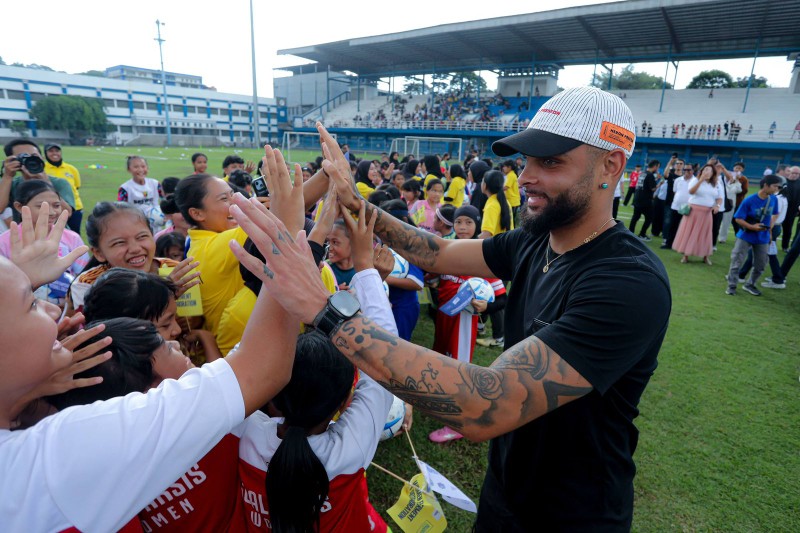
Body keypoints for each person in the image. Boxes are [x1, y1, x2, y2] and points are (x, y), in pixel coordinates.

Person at [234, 90, 671, 530]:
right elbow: (439, 252)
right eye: (527, 160)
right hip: (507, 487)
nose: (528, 176)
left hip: (576, 512)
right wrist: (354, 201)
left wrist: (323, 308)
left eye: (551, 162)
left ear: (610, 166)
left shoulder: (628, 281)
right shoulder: (537, 239)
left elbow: (486, 401)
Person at [0, 199, 296, 532]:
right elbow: (263, 368)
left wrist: (20, 286)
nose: (58, 313)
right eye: (31, 305)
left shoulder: (32, 425)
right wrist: (290, 245)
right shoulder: (58, 452)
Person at [237, 200, 396, 533]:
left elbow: (247, 355)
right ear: (344, 404)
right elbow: (386, 358)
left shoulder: (244, 431)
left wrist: (301, 256)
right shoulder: (349, 449)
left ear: (273, 392)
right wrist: (368, 270)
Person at [429, 204, 507, 444]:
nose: (463, 227)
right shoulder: (446, 250)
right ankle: (441, 402)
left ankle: (458, 423)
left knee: (460, 370)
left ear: (477, 224)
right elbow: (433, 281)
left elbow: (502, 297)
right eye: (459, 222)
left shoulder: (482, 256)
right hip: (444, 320)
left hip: (463, 324)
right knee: (441, 361)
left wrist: (486, 307)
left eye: (468, 222)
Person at [68, 201, 199, 312]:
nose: (135, 249)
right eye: (119, 242)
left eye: (142, 237)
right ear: (99, 253)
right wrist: (163, 296)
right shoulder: (88, 285)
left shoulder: (176, 270)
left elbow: (195, 321)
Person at [0, 180, 88, 306]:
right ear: (19, 207)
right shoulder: (4, 242)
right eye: (41, 206)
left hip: (67, 314)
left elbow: (84, 279)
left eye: (56, 205)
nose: (51, 212)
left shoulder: (72, 238)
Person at [725, 175, 782, 296]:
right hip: (746, 235)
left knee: (761, 264)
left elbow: (775, 214)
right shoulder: (749, 200)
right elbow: (738, 219)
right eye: (775, 186)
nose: (777, 189)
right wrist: (752, 227)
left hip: (763, 237)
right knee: (737, 261)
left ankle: (750, 284)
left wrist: (770, 231)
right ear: (766, 185)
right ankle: (732, 286)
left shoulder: (773, 199)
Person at [0, 139, 76, 223]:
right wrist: (7, 176)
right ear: (12, 161)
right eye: (23, 156)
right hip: (24, 233)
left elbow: (67, 213)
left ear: (42, 157)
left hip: (56, 232)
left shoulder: (59, 183)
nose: (31, 159)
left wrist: (47, 183)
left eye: (34, 155)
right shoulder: (11, 184)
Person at [672, 163, 722, 264]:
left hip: (707, 212)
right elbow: (691, 191)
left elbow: (719, 198)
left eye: (710, 170)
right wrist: (701, 180)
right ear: (702, 171)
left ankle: (705, 256)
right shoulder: (695, 180)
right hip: (693, 211)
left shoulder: (716, 183)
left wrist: (717, 206)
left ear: (713, 173)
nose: (707, 172)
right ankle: (685, 255)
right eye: (705, 170)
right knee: (689, 233)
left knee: (705, 234)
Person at [118, 155, 166, 233]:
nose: (140, 170)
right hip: (136, 228)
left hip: (156, 228)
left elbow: (165, 200)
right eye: (136, 167)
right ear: (129, 169)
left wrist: (165, 214)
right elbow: (121, 210)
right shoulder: (125, 188)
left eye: (143, 166)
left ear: (147, 168)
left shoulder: (155, 183)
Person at [43, 143, 83, 233]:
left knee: (75, 235)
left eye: (57, 151)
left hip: (75, 208)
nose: (54, 153)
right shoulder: (42, 169)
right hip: (53, 209)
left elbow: (76, 186)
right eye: (51, 151)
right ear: (45, 153)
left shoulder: (71, 169)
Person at [628, 159, 659, 240]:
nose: (658, 169)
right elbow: (653, 188)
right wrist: (659, 183)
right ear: (655, 166)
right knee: (649, 217)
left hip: (637, 198)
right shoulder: (650, 175)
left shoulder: (643, 173)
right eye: (658, 167)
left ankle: (630, 233)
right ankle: (642, 234)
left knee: (635, 217)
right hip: (645, 201)